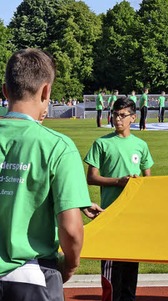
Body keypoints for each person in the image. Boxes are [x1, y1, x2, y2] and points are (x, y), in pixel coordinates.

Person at [0, 48, 101, 301]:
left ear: (5, 90)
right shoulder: (57, 146)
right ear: (46, 91)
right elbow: (71, 228)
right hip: (29, 276)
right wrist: (71, 263)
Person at [84, 97, 154, 301]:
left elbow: (148, 180)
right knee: (112, 270)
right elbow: (91, 178)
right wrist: (119, 182)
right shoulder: (101, 143)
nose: (117, 119)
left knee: (131, 267)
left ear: (133, 118)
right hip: (109, 213)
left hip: (133, 214)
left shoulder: (141, 145)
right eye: (115, 115)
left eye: (122, 115)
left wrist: (139, 184)